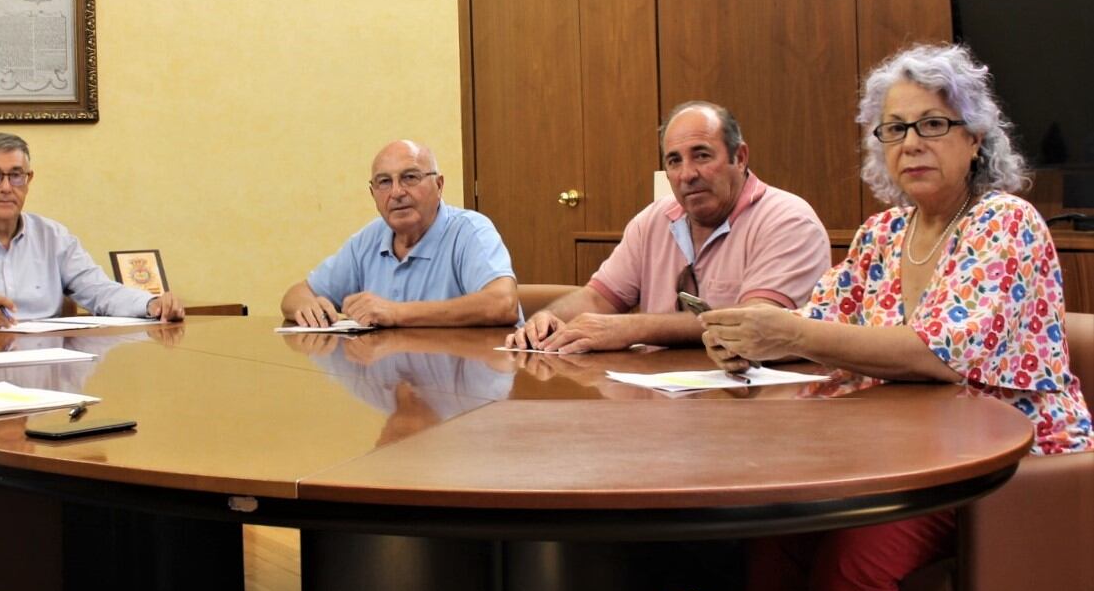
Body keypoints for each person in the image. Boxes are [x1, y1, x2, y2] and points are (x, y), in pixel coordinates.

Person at [701, 44, 1092, 591]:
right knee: (774, 538)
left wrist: (786, 334)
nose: (911, 143)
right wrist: (745, 338)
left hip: (1000, 462)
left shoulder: (1005, 221)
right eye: (894, 129)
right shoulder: (882, 232)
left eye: (933, 124)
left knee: (856, 554)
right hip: (899, 457)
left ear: (975, 137)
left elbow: (939, 354)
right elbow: (816, 324)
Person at [510, 102, 830, 352]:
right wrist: (549, 319)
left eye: (701, 155)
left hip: (755, 404)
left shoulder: (789, 220)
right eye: (674, 161)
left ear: (740, 157)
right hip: (661, 402)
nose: (686, 174)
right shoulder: (654, 219)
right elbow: (597, 299)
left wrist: (633, 328)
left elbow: (755, 322)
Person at [0, 132, 185, 328]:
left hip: (45, 362)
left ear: (29, 179)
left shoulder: (54, 237)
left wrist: (151, 304)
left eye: (16, 175)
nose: (6, 187)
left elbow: (101, 292)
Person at [282, 139, 518, 328]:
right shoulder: (368, 239)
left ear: (439, 185)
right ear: (372, 193)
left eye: (410, 177)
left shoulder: (470, 231)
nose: (396, 192)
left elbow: (502, 303)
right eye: (384, 182)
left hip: (468, 379)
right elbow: (296, 294)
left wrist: (396, 312)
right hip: (394, 377)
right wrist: (308, 306)